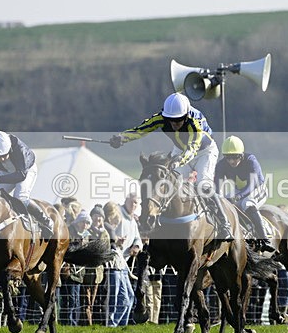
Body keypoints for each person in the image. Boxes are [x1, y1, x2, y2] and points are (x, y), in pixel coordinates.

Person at [109, 92, 233, 241]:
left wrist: (178, 161)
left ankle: (224, 224)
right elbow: (142, 129)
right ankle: (160, 220)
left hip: (204, 151)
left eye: (179, 120)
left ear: (186, 116)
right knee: (168, 183)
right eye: (171, 120)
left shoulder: (194, 122)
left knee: (203, 184)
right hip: (180, 150)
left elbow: (192, 149)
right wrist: (122, 138)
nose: (174, 124)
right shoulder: (161, 118)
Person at [0, 130, 54, 239]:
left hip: (26, 171)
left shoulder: (20, 150)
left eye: (3, 155)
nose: (1, 159)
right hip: (7, 171)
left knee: (20, 197)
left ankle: (45, 220)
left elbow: (20, 175)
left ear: (9, 148)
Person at [214, 135, 275, 252]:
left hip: (257, 188)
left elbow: (252, 185)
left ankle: (264, 239)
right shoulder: (221, 165)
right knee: (224, 204)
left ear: (241, 155)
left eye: (235, 157)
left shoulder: (251, 161)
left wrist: (238, 196)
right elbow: (217, 186)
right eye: (228, 158)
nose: (231, 161)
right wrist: (220, 199)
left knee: (247, 204)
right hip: (239, 190)